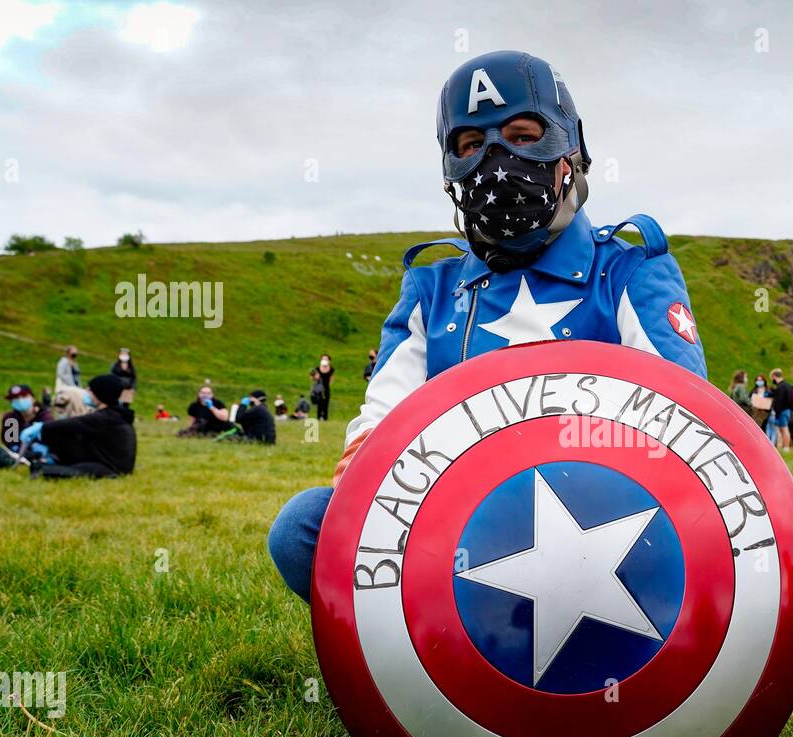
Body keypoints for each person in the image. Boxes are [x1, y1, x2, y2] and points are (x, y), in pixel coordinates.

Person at [269, 50, 707, 603]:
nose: (496, 159)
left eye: (521, 135)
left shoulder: (630, 270)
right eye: (472, 145)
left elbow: (690, 430)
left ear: (569, 152)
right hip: (455, 526)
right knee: (306, 527)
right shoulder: (430, 290)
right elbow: (375, 437)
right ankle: (429, 642)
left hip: (616, 524)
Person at [25, 374, 136, 479]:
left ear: (100, 394)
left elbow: (76, 422)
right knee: (63, 433)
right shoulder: (112, 414)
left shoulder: (106, 417)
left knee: (71, 471)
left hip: (110, 467)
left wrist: (42, 427)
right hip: (101, 459)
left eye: (90, 390)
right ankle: (50, 458)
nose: (87, 393)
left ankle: (44, 467)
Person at [0, 384, 52, 452]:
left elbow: (49, 440)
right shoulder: (11, 419)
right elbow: (11, 443)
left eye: (24, 396)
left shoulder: (46, 417)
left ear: (33, 398)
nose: (20, 400)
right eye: (15, 398)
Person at [769, 368, 793, 452]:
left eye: (772, 378)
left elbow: (779, 401)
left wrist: (777, 412)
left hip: (782, 410)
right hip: (786, 410)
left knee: (784, 429)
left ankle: (786, 447)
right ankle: (784, 446)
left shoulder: (781, 386)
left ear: (774, 376)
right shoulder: (787, 385)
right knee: (782, 429)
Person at [311, 355, 334, 420]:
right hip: (318, 389)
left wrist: (328, 385)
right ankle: (318, 417)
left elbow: (331, 378)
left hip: (326, 388)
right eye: (323, 359)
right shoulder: (317, 368)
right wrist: (315, 377)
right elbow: (312, 378)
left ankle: (325, 418)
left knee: (326, 403)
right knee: (319, 404)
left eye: (326, 359)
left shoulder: (331, 369)